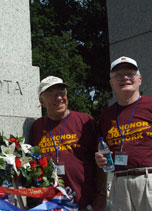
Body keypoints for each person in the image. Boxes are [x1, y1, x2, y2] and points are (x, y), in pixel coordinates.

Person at [29, 76, 105, 210]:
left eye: (61, 93)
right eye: (51, 94)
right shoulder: (36, 127)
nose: (58, 98)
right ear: (42, 101)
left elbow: (101, 161)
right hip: (49, 204)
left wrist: (101, 195)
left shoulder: (85, 121)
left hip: (84, 202)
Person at [95, 56, 152, 210]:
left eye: (130, 73)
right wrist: (100, 159)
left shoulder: (149, 105)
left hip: (148, 179)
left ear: (139, 79)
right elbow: (103, 148)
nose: (125, 77)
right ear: (111, 83)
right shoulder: (106, 116)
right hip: (119, 183)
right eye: (119, 75)